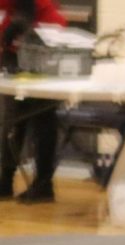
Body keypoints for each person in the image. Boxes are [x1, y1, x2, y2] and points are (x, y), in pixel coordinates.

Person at [1, 0, 67, 203]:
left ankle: (43, 184)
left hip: (44, 55)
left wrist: (24, 29)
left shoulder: (44, 9)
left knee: (43, 120)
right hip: (15, 56)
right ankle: (5, 180)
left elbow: (55, 27)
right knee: (14, 120)